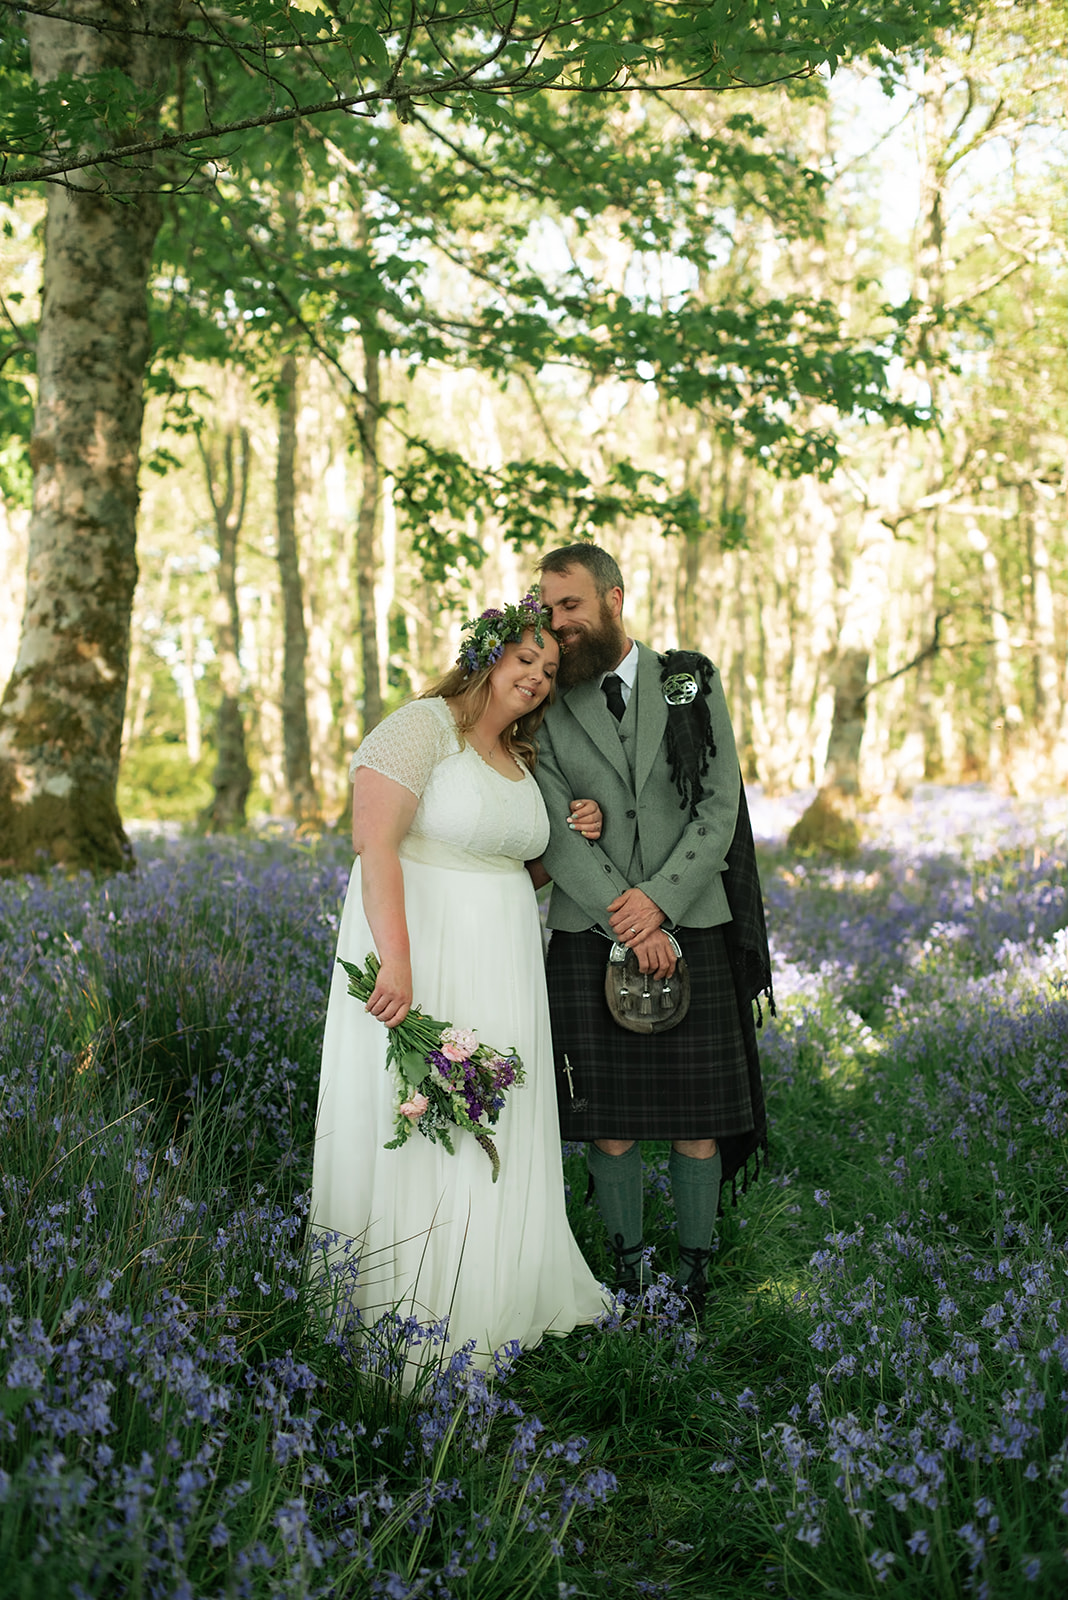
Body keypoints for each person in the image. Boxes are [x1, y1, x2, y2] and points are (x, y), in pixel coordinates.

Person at [310, 592, 608, 1384]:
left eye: (549, 671)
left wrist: (568, 837)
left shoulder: (519, 757)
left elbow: (515, 867)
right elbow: (375, 845)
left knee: (494, 1111)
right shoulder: (421, 728)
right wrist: (398, 963)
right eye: (526, 661)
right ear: (487, 657)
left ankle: (497, 1287)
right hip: (425, 946)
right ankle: (414, 1300)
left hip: (505, 958)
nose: (539, 679)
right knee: (424, 1114)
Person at [532, 545, 773, 1316]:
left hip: (690, 921)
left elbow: (718, 805)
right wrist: (622, 914)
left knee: (697, 1120)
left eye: (570, 605)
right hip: (588, 929)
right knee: (610, 1123)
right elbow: (554, 827)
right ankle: (629, 1273)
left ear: (613, 598)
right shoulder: (545, 698)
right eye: (548, 607)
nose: (558, 622)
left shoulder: (689, 682)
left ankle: (696, 1274)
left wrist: (657, 905)